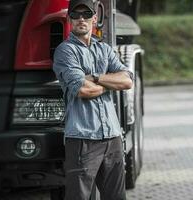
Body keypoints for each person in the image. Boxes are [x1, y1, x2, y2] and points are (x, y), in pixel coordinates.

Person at [52, 0, 133, 199]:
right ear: (69, 19)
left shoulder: (104, 49)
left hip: (112, 137)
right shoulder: (65, 51)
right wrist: (109, 83)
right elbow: (82, 89)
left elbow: (127, 81)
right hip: (83, 139)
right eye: (76, 15)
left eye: (86, 14)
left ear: (94, 19)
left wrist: (95, 77)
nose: (81, 19)